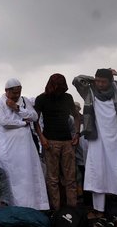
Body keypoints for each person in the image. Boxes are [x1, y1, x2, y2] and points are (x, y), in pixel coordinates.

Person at [72, 68, 117, 215]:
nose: (100, 84)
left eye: (103, 81)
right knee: (98, 173)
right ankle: (99, 209)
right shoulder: (89, 91)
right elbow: (77, 80)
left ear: (110, 81)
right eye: (98, 81)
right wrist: (92, 79)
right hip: (97, 138)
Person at [0, 78, 49, 210]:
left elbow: (34, 117)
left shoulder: (24, 101)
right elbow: (4, 122)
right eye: (14, 93)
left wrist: (17, 108)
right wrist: (23, 123)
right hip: (8, 149)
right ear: (6, 91)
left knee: (28, 176)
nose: (17, 95)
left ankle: (33, 207)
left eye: (19, 92)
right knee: (12, 178)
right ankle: (13, 208)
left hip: (26, 148)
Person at [33, 73, 80, 211]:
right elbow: (35, 120)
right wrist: (41, 137)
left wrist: (76, 134)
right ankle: (56, 210)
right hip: (50, 141)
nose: (59, 90)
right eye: (57, 87)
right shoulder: (42, 99)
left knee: (70, 178)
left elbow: (76, 116)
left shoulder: (68, 97)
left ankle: (73, 209)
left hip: (67, 141)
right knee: (53, 179)